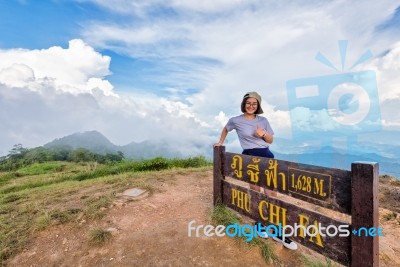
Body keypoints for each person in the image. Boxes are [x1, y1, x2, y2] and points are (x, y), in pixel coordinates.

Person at [213, 91, 297, 250]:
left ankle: (278, 231)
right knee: (256, 191)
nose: (251, 106)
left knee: (271, 193)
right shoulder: (235, 120)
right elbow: (226, 129)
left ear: (258, 106)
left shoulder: (263, 120)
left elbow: (271, 139)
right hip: (248, 158)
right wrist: (220, 142)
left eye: (254, 103)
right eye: (248, 103)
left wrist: (263, 134)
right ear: (244, 104)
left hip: (266, 156)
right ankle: (260, 225)